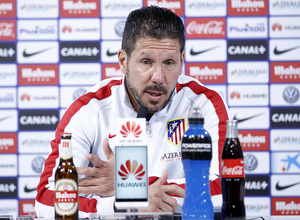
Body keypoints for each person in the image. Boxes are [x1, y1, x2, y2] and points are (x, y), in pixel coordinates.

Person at [35, 6, 228, 218]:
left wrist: (127, 185)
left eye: (169, 63)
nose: (158, 77)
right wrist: (124, 204)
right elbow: (46, 199)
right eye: (146, 62)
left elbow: (227, 189)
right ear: (123, 62)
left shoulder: (205, 104)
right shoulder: (89, 108)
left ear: (182, 62)